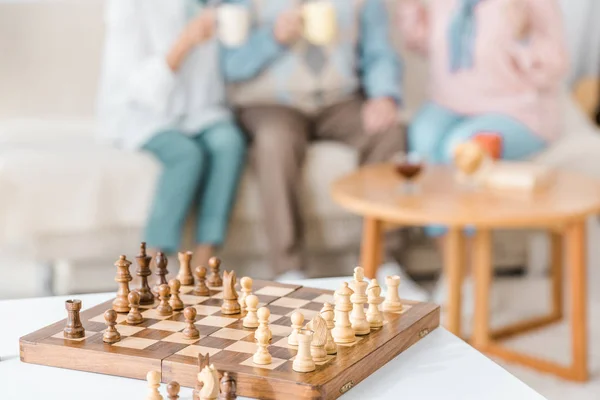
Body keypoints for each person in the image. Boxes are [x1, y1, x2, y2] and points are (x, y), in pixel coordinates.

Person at [221, 0, 425, 290]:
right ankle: (288, 271)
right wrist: (272, 39)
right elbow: (230, 66)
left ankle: (384, 265)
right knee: (275, 140)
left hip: (338, 100)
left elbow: (380, 52)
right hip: (269, 103)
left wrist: (384, 95)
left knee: (389, 132)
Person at [398, 0, 568, 309]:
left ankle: (474, 279)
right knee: (422, 136)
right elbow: (421, 45)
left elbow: (553, 68)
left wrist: (523, 35)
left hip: (516, 110)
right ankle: (454, 273)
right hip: (449, 104)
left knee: (462, 147)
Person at [97, 0, 247, 266]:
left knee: (229, 143)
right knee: (186, 154)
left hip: (200, 110)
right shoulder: (128, 6)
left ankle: (203, 263)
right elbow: (136, 86)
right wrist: (185, 42)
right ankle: (153, 264)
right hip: (141, 111)